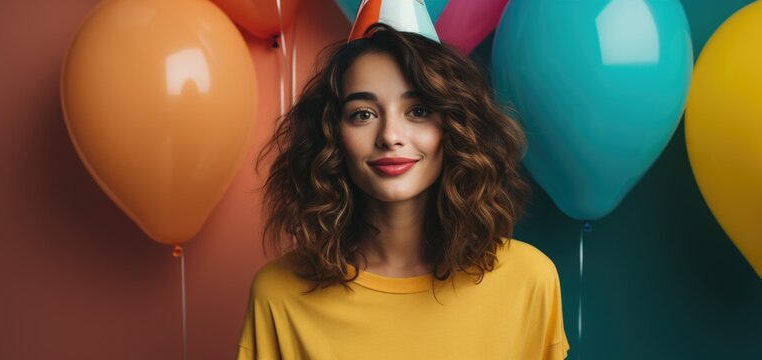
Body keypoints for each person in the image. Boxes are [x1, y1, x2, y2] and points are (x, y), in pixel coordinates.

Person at [236, 22, 570, 360]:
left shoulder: (528, 281)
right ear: (332, 138)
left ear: (455, 128)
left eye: (419, 111)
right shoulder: (278, 294)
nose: (390, 136)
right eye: (363, 114)